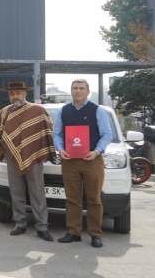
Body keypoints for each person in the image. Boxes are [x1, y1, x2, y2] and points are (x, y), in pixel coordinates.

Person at [54, 79, 113, 248]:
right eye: (75, 88)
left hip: (92, 160)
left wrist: (96, 151)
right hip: (69, 161)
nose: (78, 91)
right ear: (71, 91)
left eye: (81, 88)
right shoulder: (64, 111)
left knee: (94, 199)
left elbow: (107, 134)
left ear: (87, 91)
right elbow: (57, 133)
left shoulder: (97, 110)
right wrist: (60, 148)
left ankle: (95, 234)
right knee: (73, 199)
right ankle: (73, 232)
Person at [0, 81, 56, 242]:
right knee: (16, 191)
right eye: (12, 93)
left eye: (18, 93)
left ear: (25, 93)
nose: (15, 96)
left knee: (37, 192)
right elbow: (0, 134)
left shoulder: (38, 110)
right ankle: (20, 223)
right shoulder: (4, 112)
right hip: (11, 156)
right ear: (9, 95)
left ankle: (42, 226)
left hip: (34, 155)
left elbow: (48, 131)